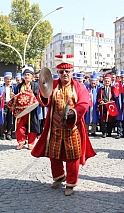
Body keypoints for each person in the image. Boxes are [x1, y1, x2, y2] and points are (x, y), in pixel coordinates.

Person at [31, 54, 96, 196]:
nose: (64, 74)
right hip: (54, 127)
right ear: (57, 73)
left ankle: (71, 183)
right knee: (54, 154)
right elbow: (45, 101)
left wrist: (73, 112)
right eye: (61, 72)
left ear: (72, 72)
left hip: (72, 128)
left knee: (73, 155)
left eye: (67, 71)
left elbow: (84, 104)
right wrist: (42, 93)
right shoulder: (53, 85)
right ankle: (59, 176)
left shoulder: (79, 87)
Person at [13, 67, 40, 150]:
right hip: (21, 110)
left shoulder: (35, 85)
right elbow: (16, 96)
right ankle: (21, 142)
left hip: (31, 109)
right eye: (25, 75)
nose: (26, 76)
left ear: (32, 77)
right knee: (19, 126)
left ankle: (31, 143)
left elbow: (38, 95)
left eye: (28, 75)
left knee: (32, 126)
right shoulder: (19, 86)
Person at [0, 72, 14, 140]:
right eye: (7, 79)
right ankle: (3, 134)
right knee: (3, 120)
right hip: (3, 105)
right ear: (4, 79)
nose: (8, 81)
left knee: (10, 120)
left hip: (10, 105)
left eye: (10, 79)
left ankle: (9, 134)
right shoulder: (0, 87)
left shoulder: (13, 87)